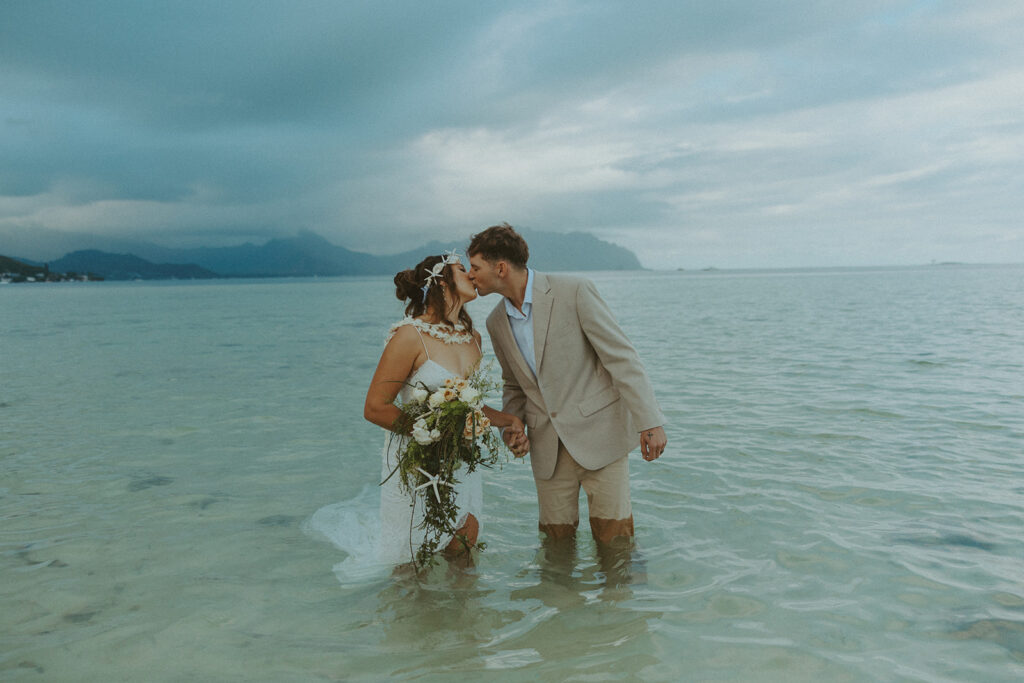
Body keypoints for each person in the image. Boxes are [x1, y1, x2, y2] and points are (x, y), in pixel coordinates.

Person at [307, 252, 526, 577]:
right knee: (411, 559)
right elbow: (375, 407)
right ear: (441, 281)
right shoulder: (410, 335)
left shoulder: (473, 339)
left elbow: (469, 407)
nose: (471, 274)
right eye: (461, 269)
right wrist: (430, 432)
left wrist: (509, 420)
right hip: (415, 459)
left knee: (464, 545)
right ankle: (409, 624)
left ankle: (466, 622)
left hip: (461, 459)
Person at [467, 224, 667, 545]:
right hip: (547, 450)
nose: (470, 275)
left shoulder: (574, 291)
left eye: (475, 267)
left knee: (616, 542)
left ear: (501, 268)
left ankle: (620, 597)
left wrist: (650, 422)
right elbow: (514, 385)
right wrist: (510, 429)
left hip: (601, 438)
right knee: (555, 545)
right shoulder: (495, 322)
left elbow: (621, 359)